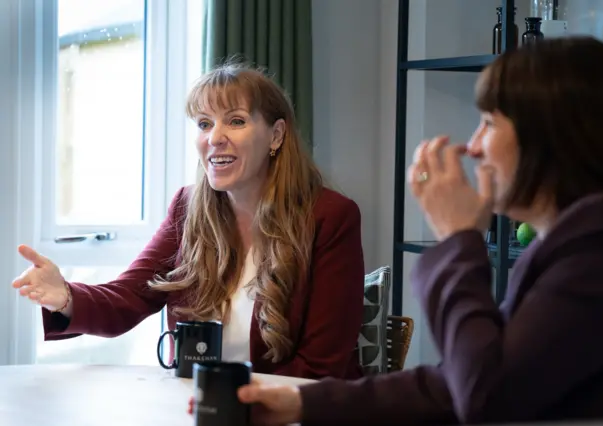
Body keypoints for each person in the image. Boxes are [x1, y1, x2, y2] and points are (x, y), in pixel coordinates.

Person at [217, 36, 603, 424]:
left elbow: (485, 394)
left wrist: (458, 240)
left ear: (549, 135)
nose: (473, 146)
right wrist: (302, 403)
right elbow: (456, 381)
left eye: (489, 124)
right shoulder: (578, 241)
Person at [12, 63, 365, 380]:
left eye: (236, 121)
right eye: (204, 124)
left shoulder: (330, 217)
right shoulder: (188, 206)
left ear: (276, 135)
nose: (215, 137)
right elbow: (129, 297)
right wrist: (65, 297)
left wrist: (235, 405)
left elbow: (321, 366)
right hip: (200, 410)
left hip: (291, 414)